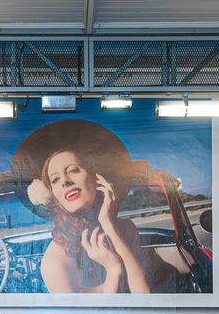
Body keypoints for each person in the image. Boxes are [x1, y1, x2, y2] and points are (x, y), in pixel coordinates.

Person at [12, 119, 173, 293]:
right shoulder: (56, 260)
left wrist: (109, 225)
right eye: (55, 180)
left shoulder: (125, 229)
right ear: (52, 195)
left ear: (97, 178)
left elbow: (145, 299)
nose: (65, 182)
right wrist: (114, 269)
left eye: (73, 170)